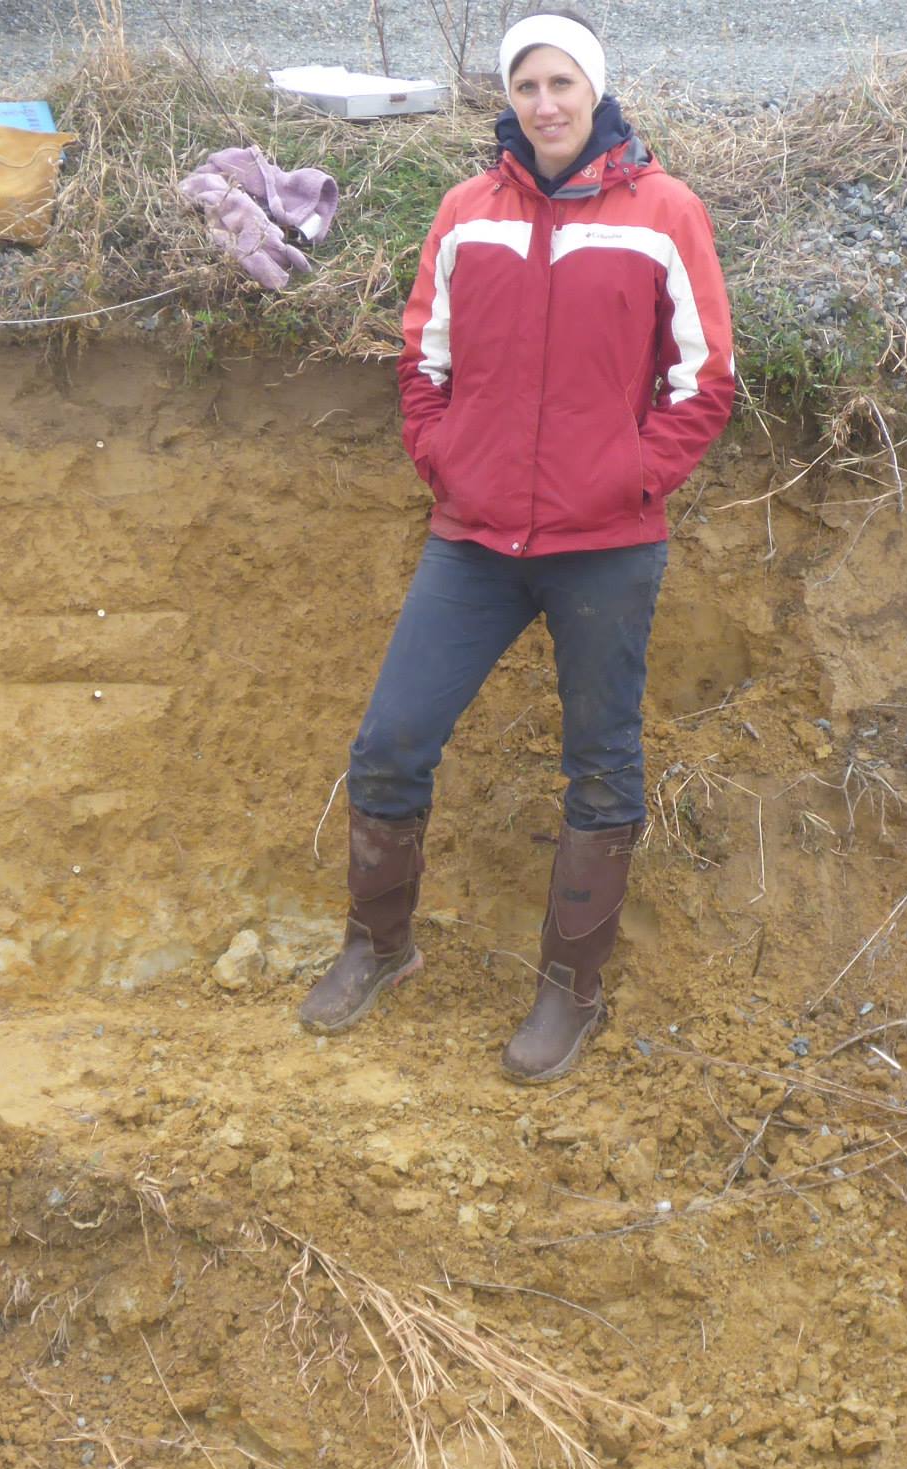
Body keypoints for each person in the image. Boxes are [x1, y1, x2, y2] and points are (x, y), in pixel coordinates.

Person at [299, 9, 736, 1081]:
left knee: (598, 768)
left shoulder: (662, 213)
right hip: (473, 540)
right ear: (510, 97)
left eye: (561, 84)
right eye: (527, 86)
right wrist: (445, 460)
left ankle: (568, 992)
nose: (544, 104)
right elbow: (422, 359)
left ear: (594, 90)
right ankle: (378, 947)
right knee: (391, 743)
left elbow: (704, 379)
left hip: (605, 545)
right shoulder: (465, 212)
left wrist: (626, 477)